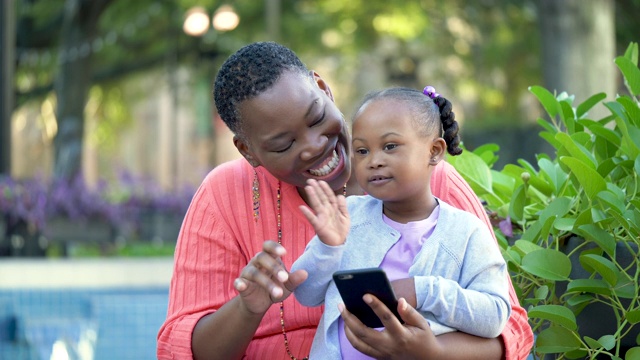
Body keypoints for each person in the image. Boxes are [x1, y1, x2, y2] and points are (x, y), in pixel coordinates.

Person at [156, 41, 533, 360]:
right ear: (248, 150)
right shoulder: (225, 193)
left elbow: (511, 327)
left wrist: (430, 350)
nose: (314, 147)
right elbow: (179, 348)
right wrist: (248, 308)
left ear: (324, 88)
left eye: (317, 117)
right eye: (283, 144)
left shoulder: (429, 182)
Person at [291, 86, 511, 359]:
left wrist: (424, 290)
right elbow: (305, 294)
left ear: (434, 151)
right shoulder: (348, 217)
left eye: (390, 146)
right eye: (361, 151)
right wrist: (328, 247)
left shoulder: (466, 232)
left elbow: (495, 315)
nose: (374, 161)